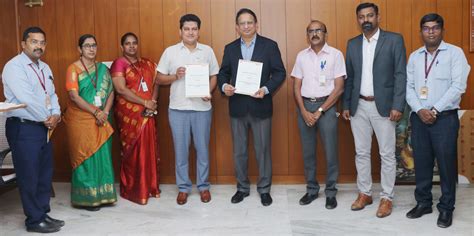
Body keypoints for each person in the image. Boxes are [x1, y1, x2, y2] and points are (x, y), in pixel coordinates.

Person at [342, 2, 407, 218]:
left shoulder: (394, 40)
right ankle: (365, 193)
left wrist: (398, 105)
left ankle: (387, 197)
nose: (366, 20)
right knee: (361, 152)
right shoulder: (352, 44)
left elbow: (400, 74)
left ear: (378, 17)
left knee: (387, 154)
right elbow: (349, 77)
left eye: (370, 15)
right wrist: (346, 105)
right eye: (362, 17)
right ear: (357, 20)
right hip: (358, 106)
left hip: (385, 107)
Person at [405, 13, 470, 228]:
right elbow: (409, 88)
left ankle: (446, 208)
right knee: (421, 163)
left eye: (435, 28)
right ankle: (423, 203)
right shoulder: (415, 57)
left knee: (445, 165)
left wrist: (433, 109)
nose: (430, 31)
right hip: (419, 117)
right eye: (426, 28)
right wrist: (420, 109)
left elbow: (458, 86)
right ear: (421, 31)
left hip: (444, 119)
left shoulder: (455, 53)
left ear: (442, 30)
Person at [217, 8, 286, 207]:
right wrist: (224, 86)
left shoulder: (269, 46)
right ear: (237, 27)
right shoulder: (230, 48)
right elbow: (223, 73)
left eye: (250, 22)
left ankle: (264, 189)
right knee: (239, 151)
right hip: (237, 107)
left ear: (256, 25)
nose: (246, 26)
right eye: (242, 23)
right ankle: (242, 188)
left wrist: (266, 89)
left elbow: (280, 73)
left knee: (263, 150)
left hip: (261, 105)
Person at [2, 26, 65, 233]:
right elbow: (26, 98)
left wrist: (56, 115)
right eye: (34, 41)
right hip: (24, 128)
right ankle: (33, 221)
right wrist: (47, 118)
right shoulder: (14, 67)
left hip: (44, 126)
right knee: (29, 175)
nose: (39, 46)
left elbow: (52, 94)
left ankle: (42, 213)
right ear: (23, 44)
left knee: (43, 173)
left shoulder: (45, 68)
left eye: (42, 42)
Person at [157, 14, 219, 205]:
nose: (190, 32)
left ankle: (203, 187)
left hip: (202, 109)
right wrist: (175, 76)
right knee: (181, 151)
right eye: (187, 29)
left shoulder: (207, 51)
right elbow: (159, 78)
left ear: (198, 31)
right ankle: (183, 188)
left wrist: (208, 91)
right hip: (178, 109)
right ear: (180, 31)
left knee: (202, 149)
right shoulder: (170, 52)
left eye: (194, 29)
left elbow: (214, 76)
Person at [291, 20, 345, 209]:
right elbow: (296, 86)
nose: (314, 34)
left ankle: (331, 192)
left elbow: (339, 89)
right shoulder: (301, 56)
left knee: (331, 151)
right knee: (308, 152)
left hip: (327, 106)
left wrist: (320, 111)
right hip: (305, 105)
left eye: (318, 30)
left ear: (325, 33)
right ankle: (312, 190)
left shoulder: (335, 55)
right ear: (307, 35)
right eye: (311, 31)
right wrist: (304, 111)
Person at [63, 34, 117, 211]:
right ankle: (86, 198)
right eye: (87, 46)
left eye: (94, 45)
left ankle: (105, 195)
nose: (91, 49)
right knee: (86, 158)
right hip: (81, 120)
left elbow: (110, 92)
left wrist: (105, 112)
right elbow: (74, 96)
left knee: (102, 157)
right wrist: (95, 111)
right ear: (80, 49)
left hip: (102, 118)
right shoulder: (73, 69)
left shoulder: (102, 68)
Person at [111, 32, 160, 205]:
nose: (131, 46)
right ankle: (132, 188)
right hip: (129, 115)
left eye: (134, 43)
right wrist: (145, 102)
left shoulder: (147, 63)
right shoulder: (119, 63)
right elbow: (121, 89)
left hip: (148, 113)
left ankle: (149, 186)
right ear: (122, 46)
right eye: (127, 43)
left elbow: (156, 82)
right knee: (132, 151)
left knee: (148, 149)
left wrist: (152, 101)